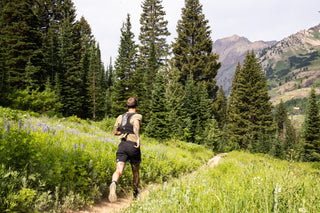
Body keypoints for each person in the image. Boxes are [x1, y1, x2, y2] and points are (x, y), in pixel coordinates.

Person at [108, 97, 142, 203]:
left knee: (119, 170)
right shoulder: (137, 116)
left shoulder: (120, 117)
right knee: (135, 171)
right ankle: (135, 192)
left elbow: (115, 132)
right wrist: (138, 138)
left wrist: (123, 132)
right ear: (136, 106)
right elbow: (136, 126)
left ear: (127, 107)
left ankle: (114, 183)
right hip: (132, 146)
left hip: (122, 145)